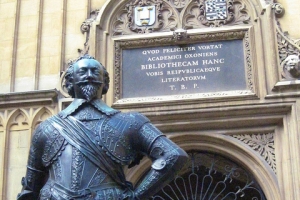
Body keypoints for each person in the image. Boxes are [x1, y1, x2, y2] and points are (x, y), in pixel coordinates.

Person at [17, 54, 188, 200]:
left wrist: (138, 195)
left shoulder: (130, 121)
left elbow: (173, 155)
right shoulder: (47, 128)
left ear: (104, 81)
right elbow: (31, 188)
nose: (89, 76)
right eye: (83, 72)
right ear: (70, 81)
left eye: (95, 72)